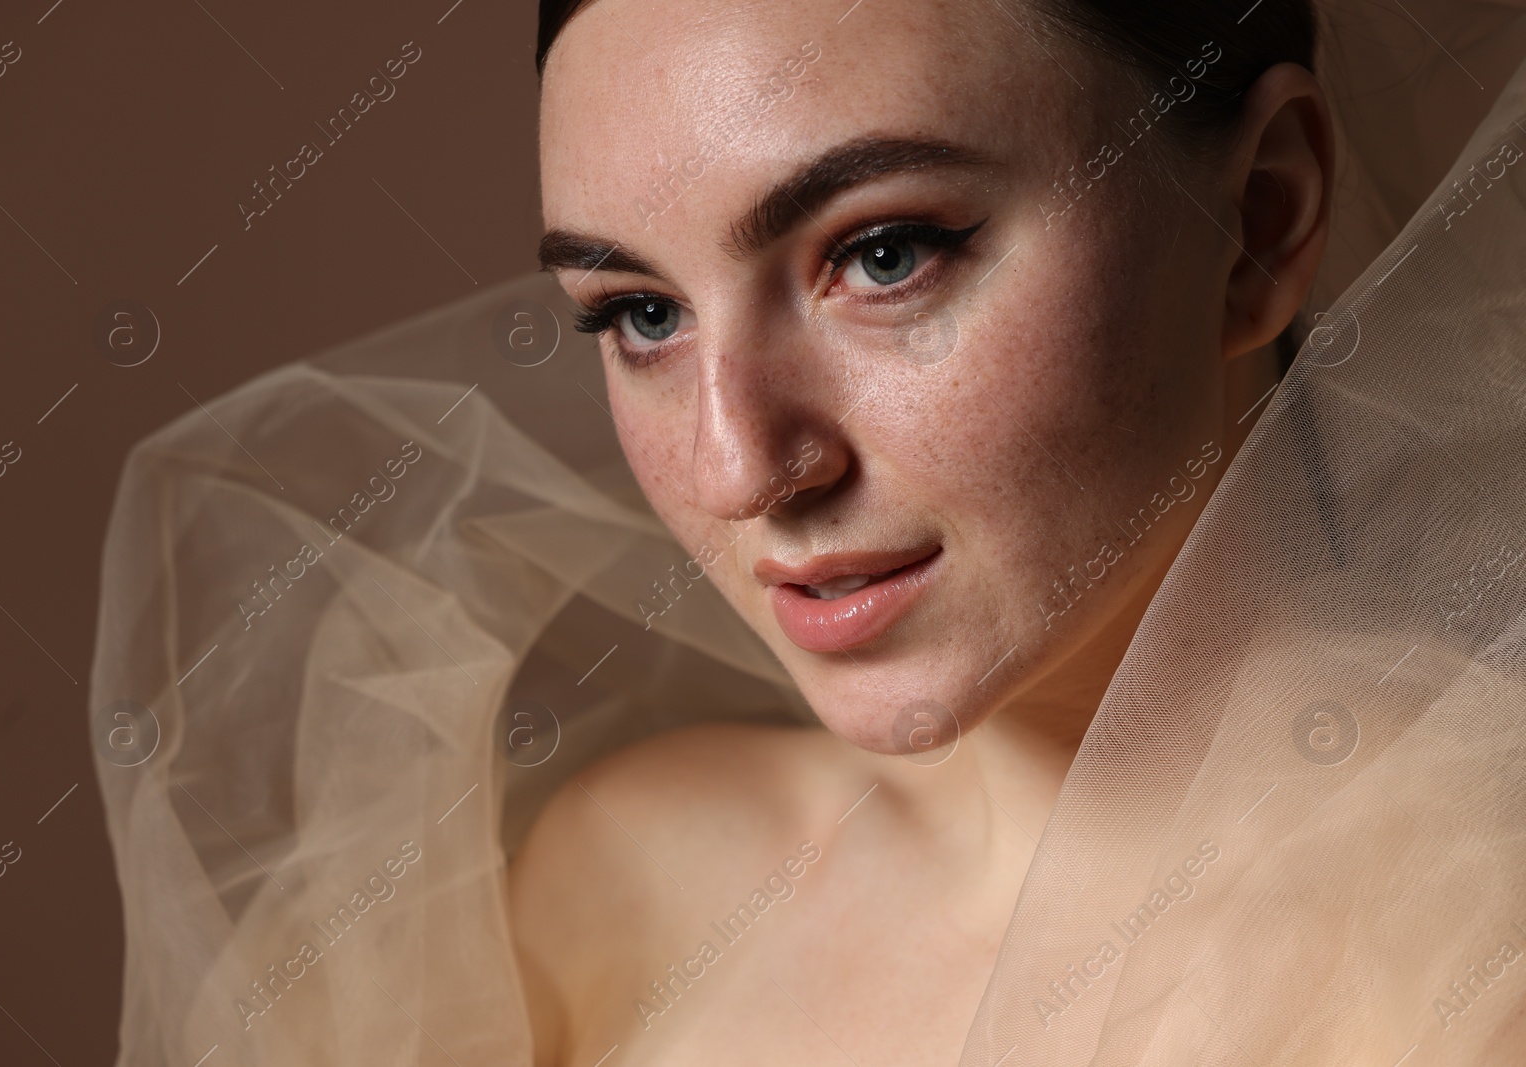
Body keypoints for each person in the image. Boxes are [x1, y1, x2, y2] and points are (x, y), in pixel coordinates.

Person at [89, 1, 1526, 1064]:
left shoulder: (1484, 946)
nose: (738, 466)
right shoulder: (615, 883)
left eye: (883, 253)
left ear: (1262, 222)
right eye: (638, 315)